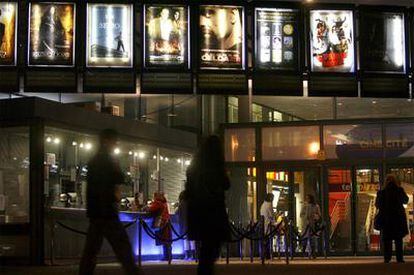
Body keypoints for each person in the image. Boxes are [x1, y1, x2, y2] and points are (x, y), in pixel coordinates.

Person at [79, 129, 141, 275]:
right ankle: (133, 272)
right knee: (123, 248)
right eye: (114, 141)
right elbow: (119, 178)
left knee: (91, 250)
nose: (115, 144)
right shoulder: (108, 160)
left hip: (96, 212)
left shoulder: (94, 160)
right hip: (107, 211)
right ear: (107, 141)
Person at [186, 135, 230, 275]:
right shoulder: (215, 166)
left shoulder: (194, 167)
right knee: (210, 250)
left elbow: (189, 190)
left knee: (206, 251)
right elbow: (225, 184)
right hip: (213, 213)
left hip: (198, 213)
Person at [376, 174, 409, 263]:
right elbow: (406, 200)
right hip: (398, 219)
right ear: (395, 181)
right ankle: (399, 258)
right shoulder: (400, 190)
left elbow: (377, 205)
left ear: (386, 182)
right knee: (398, 240)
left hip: (386, 219)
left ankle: (387, 258)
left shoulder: (381, 193)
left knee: (387, 240)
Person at [146, 192, 172, 261]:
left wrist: (147, 207)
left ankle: (167, 256)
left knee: (164, 240)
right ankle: (168, 256)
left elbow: (151, 209)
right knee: (167, 240)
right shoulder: (164, 202)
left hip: (162, 222)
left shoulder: (158, 202)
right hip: (167, 221)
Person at [300, 194, 321, 258]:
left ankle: (313, 253)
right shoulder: (304, 206)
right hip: (305, 224)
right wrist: (305, 218)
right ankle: (303, 252)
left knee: (312, 239)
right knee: (304, 239)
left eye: (308, 198)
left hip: (312, 224)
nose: (307, 200)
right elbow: (301, 214)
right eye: (306, 198)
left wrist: (315, 217)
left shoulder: (316, 206)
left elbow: (319, 215)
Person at [176, 190, 195, 259]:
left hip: (184, 224)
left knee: (185, 241)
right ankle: (193, 255)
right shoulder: (192, 203)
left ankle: (187, 255)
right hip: (191, 224)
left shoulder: (181, 204)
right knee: (192, 241)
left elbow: (176, 213)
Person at [260, 193, 275, 259]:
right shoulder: (269, 204)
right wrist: (274, 221)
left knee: (265, 239)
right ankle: (268, 254)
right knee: (268, 240)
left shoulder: (263, 204)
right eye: (272, 198)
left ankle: (264, 254)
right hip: (268, 224)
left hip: (264, 224)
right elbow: (271, 215)